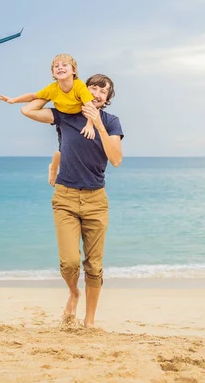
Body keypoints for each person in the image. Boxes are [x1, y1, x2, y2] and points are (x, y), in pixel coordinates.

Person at [18, 73, 123, 328]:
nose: (97, 94)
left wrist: (97, 124)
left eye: (103, 91)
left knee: (94, 266)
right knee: (69, 262)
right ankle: (74, 293)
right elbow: (28, 110)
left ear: (107, 98)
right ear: (83, 91)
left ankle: (89, 321)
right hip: (65, 198)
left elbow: (116, 159)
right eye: (93, 88)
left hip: (96, 200)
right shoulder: (65, 115)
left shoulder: (111, 122)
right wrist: (58, 91)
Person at [0, 53, 96, 186]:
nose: (60, 68)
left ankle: (53, 166)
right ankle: (53, 168)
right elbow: (32, 95)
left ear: (74, 70)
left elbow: (90, 106)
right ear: (53, 73)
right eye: (56, 66)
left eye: (64, 65)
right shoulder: (53, 88)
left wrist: (89, 125)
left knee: (64, 149)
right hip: (61, 116)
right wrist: (13, 100)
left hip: (78, 116)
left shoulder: (79, 86)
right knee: (26, 108)